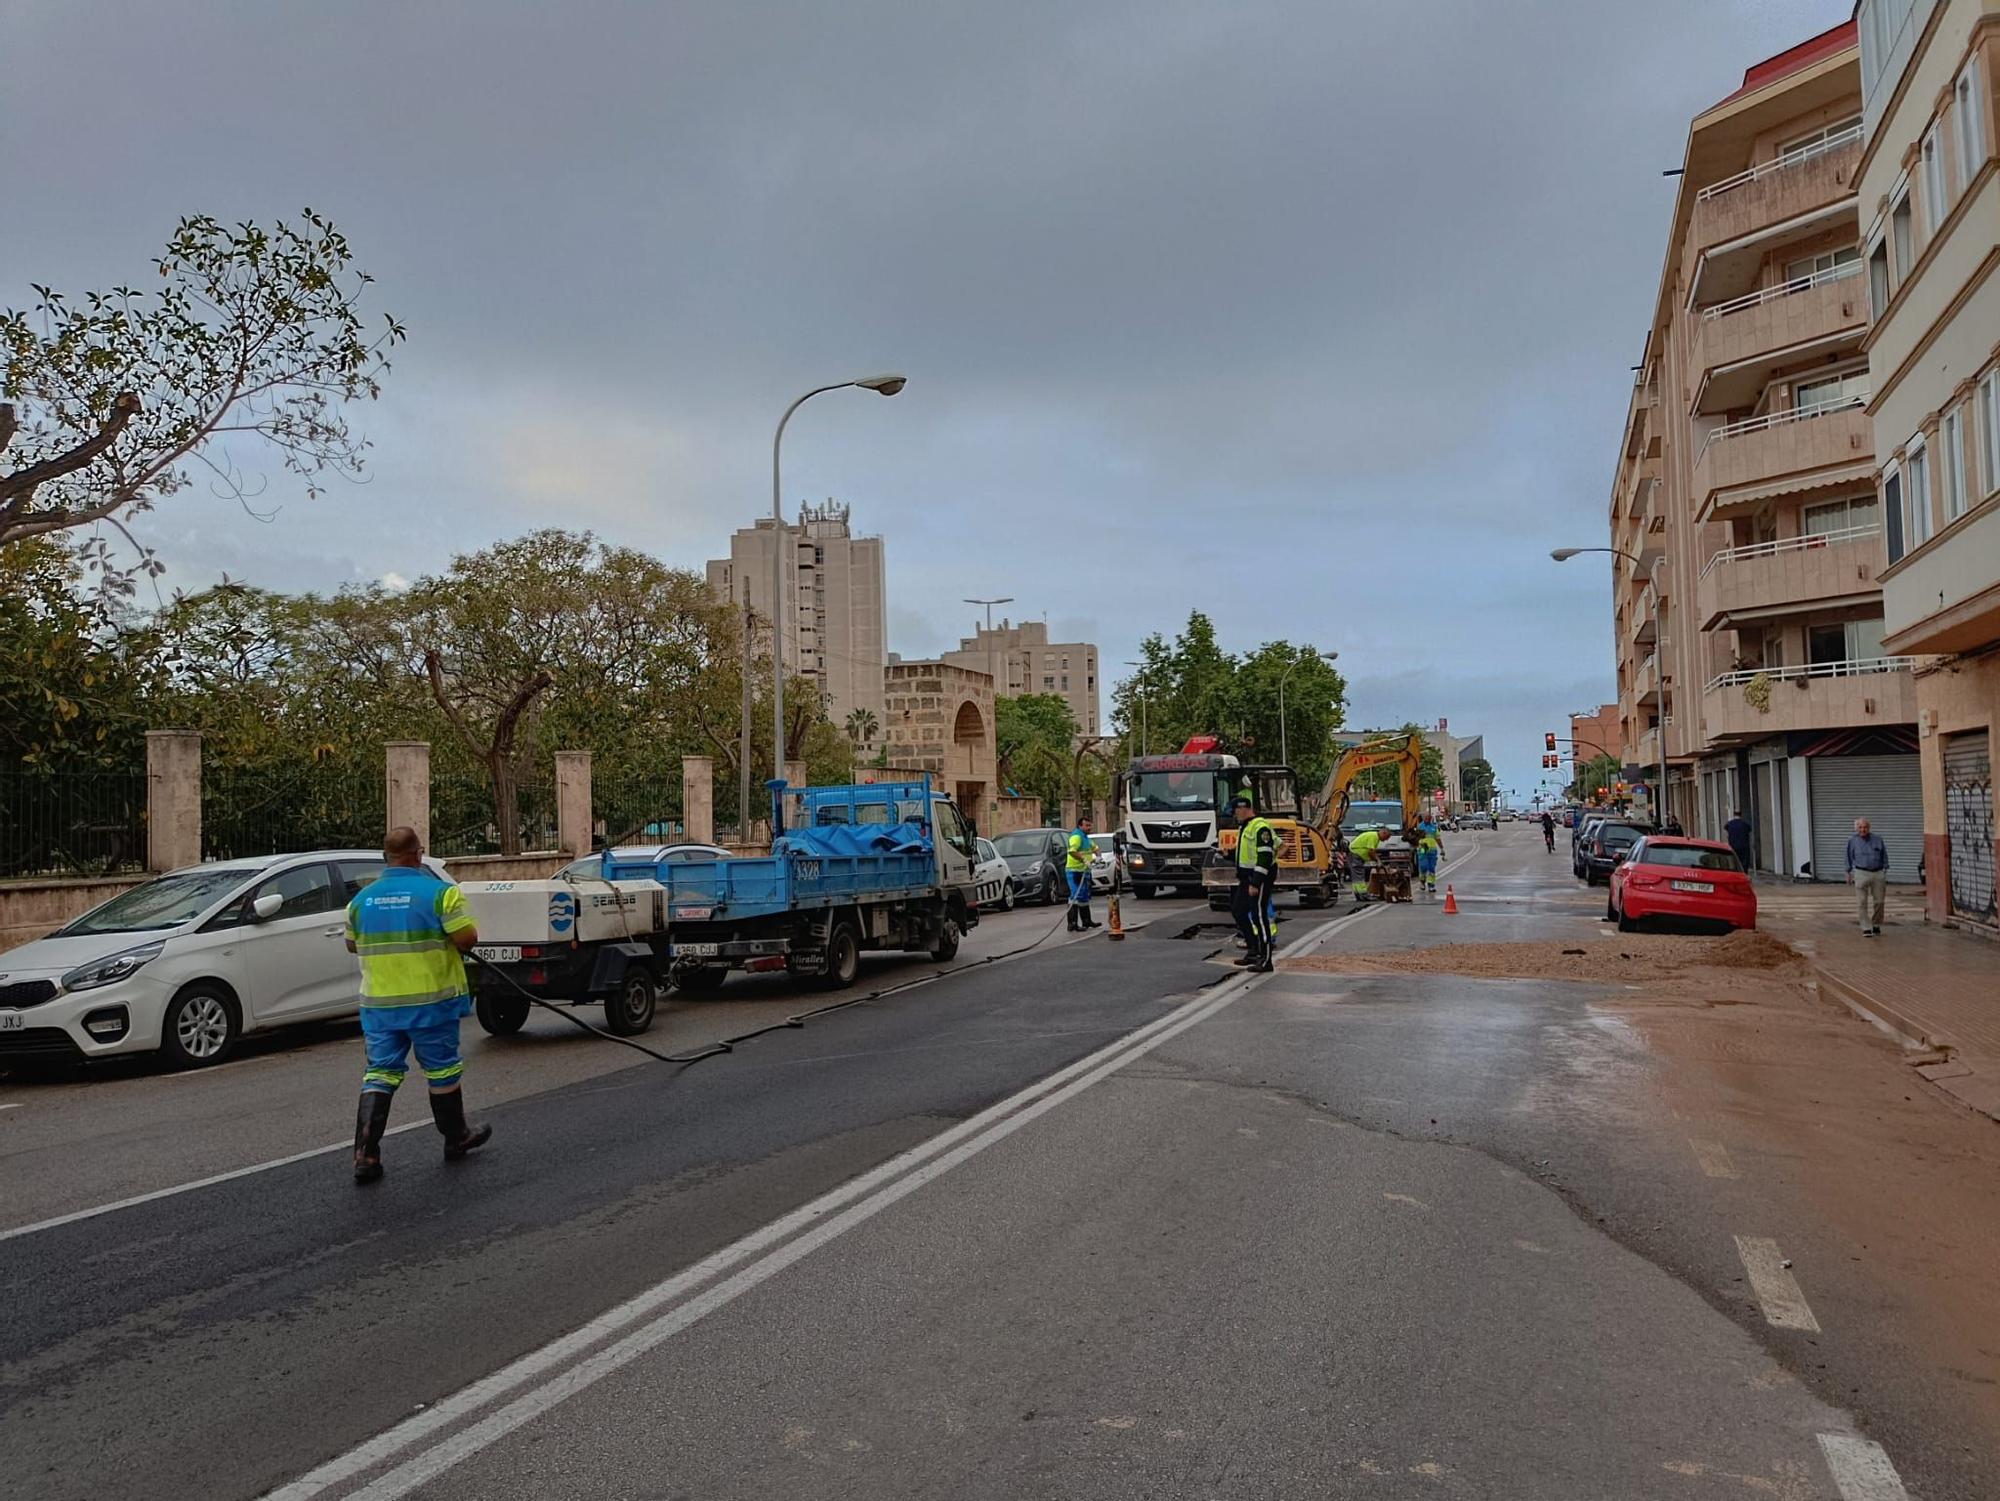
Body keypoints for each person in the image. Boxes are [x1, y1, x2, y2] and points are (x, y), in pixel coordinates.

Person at [345, 826, 490, 1184]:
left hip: (379, 1005)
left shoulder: (360, 900)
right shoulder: (440, 894)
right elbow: (467, 938)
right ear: (417, 854)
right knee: (441, 1070)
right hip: (430, 1001)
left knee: (380, 1072)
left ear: (386, 856)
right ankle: (456, 1137)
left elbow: (352, 944)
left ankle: (366, 1153)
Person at [1230, 794, 1278, 970]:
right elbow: (1247, 855)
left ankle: (1266, 960)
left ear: (1243, 809)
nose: (1235, 815)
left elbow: (1265, 856)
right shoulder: (1247, 827)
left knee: (1259, 916)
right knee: (1238, 911)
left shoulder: (1260, 827)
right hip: (1246, 878)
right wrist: (1228, 854)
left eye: (1236, 811)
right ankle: (1253, 950)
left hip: (1257, 879)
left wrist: (1256, 883)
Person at [1845, 816, 1889, 936]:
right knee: (1862, 902)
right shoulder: (1852, 841)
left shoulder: (1878, 839)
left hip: (1878, 872)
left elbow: (1884, 855)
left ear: (1869, 828)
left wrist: (1885, 870)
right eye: (1860, 827)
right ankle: (1866, 927)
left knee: (1879, 901)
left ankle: (1876, 924)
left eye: (1865, 827)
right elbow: (1848, 857)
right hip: (1860, 873)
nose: (1862, 830)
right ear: (1856, 828)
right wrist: (1848, 872)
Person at [1065, 811, 1099, 931]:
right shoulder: (1076, 836)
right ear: (1080, 826)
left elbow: (1095, 848)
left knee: (1084, 896)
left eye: (1090, 825)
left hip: (1084, 871)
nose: (1089, 828)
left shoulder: (1085, 838)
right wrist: (1085, 860)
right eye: (1087, 825)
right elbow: (1072, 851)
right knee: (1075, 895)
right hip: (1074, 871)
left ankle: (1086, 921)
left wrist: (1098, 856)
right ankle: (1072, 923)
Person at [1347, 825, 1383, 903]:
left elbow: (1370, 851)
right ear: (1383, 833)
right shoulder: (1374, 837)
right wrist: (1378, 860)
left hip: (1354, 854)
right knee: (1359, 875)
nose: (1386, 840)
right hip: (1356, 855)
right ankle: (1363, 895)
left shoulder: (1373, 835)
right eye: (1387, 837)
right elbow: (1371, 851)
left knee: (1356, 876)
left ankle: (1358, 894)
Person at [1415, 822, 1443, 895]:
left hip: (1432, 850)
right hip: (1422, 849)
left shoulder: (1434, 827)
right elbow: (1415, 837)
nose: (1427, 818)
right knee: (1423, 866)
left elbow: (1437, 838)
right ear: (1424, 818)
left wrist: (1442, 848)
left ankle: (1431, 885)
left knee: (1431, 868)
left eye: (1429, 817)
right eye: (1426, 817)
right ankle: (1422, 881)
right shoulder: (1420, 826)